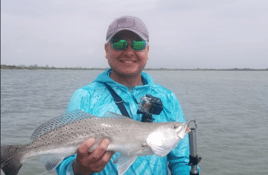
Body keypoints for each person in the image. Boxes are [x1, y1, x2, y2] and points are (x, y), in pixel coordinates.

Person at [56, 16, 191, 175]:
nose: (128, 52)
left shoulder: (168, 98)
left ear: (147, 51)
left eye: (138, 44)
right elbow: (62, 164)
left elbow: (182, 162)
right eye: (119, 44)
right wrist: (79, 169)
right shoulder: (84, 97)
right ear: (106, 50)